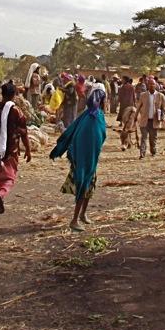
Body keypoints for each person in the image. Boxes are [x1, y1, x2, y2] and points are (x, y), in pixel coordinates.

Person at [50, 85, 108, 231]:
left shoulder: (92, 114)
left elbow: (95, 136)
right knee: (83, 186)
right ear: (102, 101)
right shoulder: (93, 117)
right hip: (83, 160)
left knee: (89, 187)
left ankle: (83, 214)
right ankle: (74, 220)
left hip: (89, 159)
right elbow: (85, 135)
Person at [0, 81, 32, 214]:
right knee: (9, 177)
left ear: (2, 94)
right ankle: (0, 194)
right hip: (10, 150)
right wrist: (28, 149)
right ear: (14, 95)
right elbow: (24, 132)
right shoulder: (16, 111)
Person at [136, 77, 165, 158]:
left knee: (153, 139)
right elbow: (138, 107)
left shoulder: (161, 96)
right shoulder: (143, 95)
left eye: (153, 84)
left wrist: (163, 117)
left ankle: (153, 151)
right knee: (144, 138)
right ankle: (142, 153)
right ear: (147, 85)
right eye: (149, 84)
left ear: (156, 85)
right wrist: (135, 116)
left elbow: (164, 109)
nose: (151, 85)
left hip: (155, 121)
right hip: (144, 120)